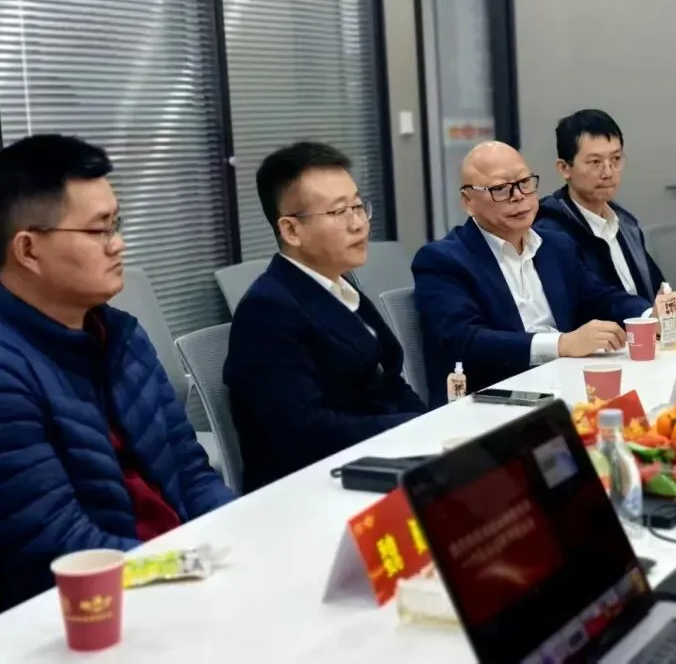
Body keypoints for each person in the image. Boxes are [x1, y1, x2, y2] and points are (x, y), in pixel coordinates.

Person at [0, 135, 233, 612]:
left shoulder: (121, 334)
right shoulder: (9, 369)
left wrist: (243, 534)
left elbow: (191, 474)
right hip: (95, 609)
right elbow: (60, 545)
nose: (118, 244)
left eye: (116, 225)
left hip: (179, 573)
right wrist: (192, 569)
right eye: (99, 231)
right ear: (28, 249)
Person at [412, 142, 676, 406]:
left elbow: (601, 298)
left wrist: (652, 318)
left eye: (525, 183)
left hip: (562, 381)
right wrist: (561, 345)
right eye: (500, 189)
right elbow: (465, 342)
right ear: (468, 201)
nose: (518, 197)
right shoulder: (443, 260)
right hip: (491, 399)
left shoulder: (555, 246)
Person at [224, 142, 425, 492]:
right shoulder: (268, 311)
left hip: (376, 461)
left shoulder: (339, 286)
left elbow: (390, 378)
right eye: (338, 212)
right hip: (314, 487)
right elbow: (306, 432)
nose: (358, 224)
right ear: (291, 230)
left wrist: (431, 426)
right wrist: (412, 428)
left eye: (358, 207)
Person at [537, 109, 665, 303]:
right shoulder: (550, 230)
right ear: (564, 168)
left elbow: (657, 290)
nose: (608, 172)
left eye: (615, 159)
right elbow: (588, 303)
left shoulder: (625, 223)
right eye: (595, 162)